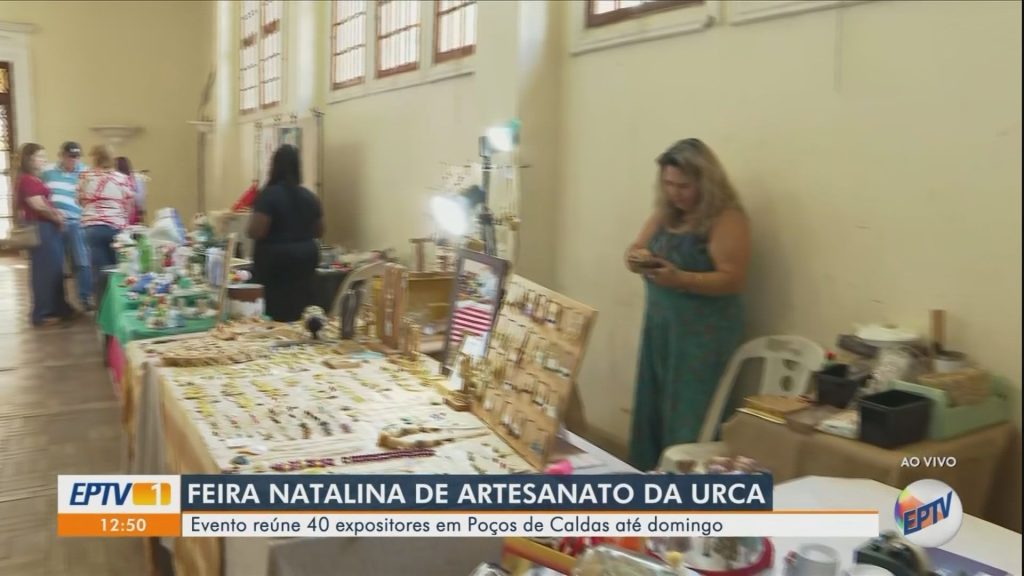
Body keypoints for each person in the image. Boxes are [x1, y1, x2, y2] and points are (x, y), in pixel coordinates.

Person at [624, 138, 751, 471]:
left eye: (683, 186)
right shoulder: (666, 215)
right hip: (662, 329)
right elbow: (636, 247)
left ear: (705, 183)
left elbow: (733, 279)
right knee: (654, 404)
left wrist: (681, 278)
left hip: (701, 336)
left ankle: (685, 485)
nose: (674, 193)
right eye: (668, 184)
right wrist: (637, 258)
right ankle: (651, 476)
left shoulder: (727, 219)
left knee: (690, 410)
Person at [247, 144, 323, 322]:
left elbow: (257, 231)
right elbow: (319, 230)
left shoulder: (268, 195)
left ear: (274, 167)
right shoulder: (310, 197)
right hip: (305, 261)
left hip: (276, 264)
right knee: (300, 307)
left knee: (276, 310)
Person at [15, 143, 75, 327]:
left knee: (55, 270)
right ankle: (42, 314)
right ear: (30, 159)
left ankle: (58, 308)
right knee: (44, 271)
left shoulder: (35, 178)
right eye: (40, 156)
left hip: (48, 228)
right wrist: (57, 217)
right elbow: (37, 205)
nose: (44, 160)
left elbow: (43, 203)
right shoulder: (27, 180)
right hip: (41, 228)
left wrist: (56, 215)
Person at [42, 141, 93, 311]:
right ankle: (59, 304)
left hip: (76, 222)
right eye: (70, 156)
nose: (73, 160)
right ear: (62, 155)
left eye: (77, 156)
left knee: (81, 261)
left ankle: (85, 298)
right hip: (52, 222)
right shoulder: (48, 171)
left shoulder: (86, 172)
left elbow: (90, 196)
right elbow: (40, 193)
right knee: (55, 264)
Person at [79, 145, 134, 300]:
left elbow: (81, 200)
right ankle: (119, 304)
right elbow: (129, 205)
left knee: (99, 272)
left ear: (95, 158)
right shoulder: (122, 178)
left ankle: (102, 307)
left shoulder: (86, 176)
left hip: (93, 229)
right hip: (116, 228)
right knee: (120, 269)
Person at [115, 156, 146, 224]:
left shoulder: (136, 179)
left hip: (121, 216)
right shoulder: (136, 179)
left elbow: (139, 199)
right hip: (132, 216)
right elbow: (140, 200)